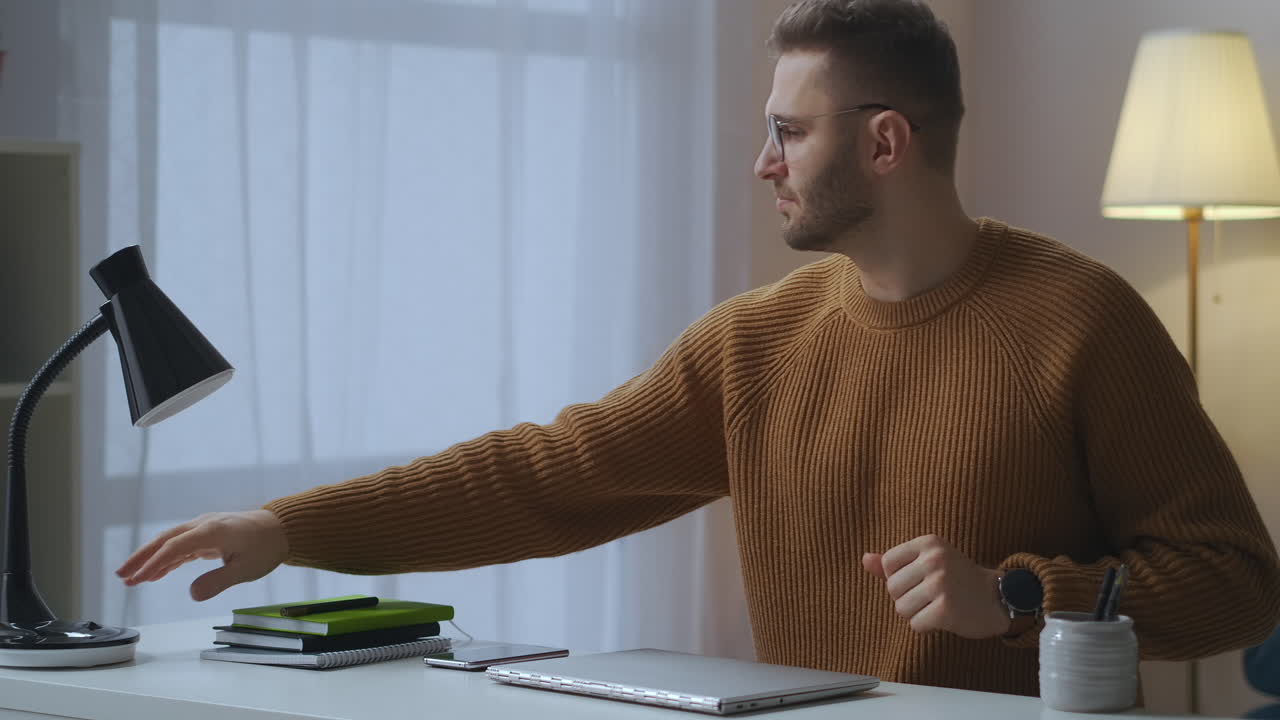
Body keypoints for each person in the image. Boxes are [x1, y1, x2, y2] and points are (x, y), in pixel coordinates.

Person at [116, 0, 1280, 697]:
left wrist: (1023, 595)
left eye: (786, 131)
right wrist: (290, 527)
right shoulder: (754, 344)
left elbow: (1235, 585)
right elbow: (543, 477)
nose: (761, 162)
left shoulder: (1080, 319)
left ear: (884, 142)